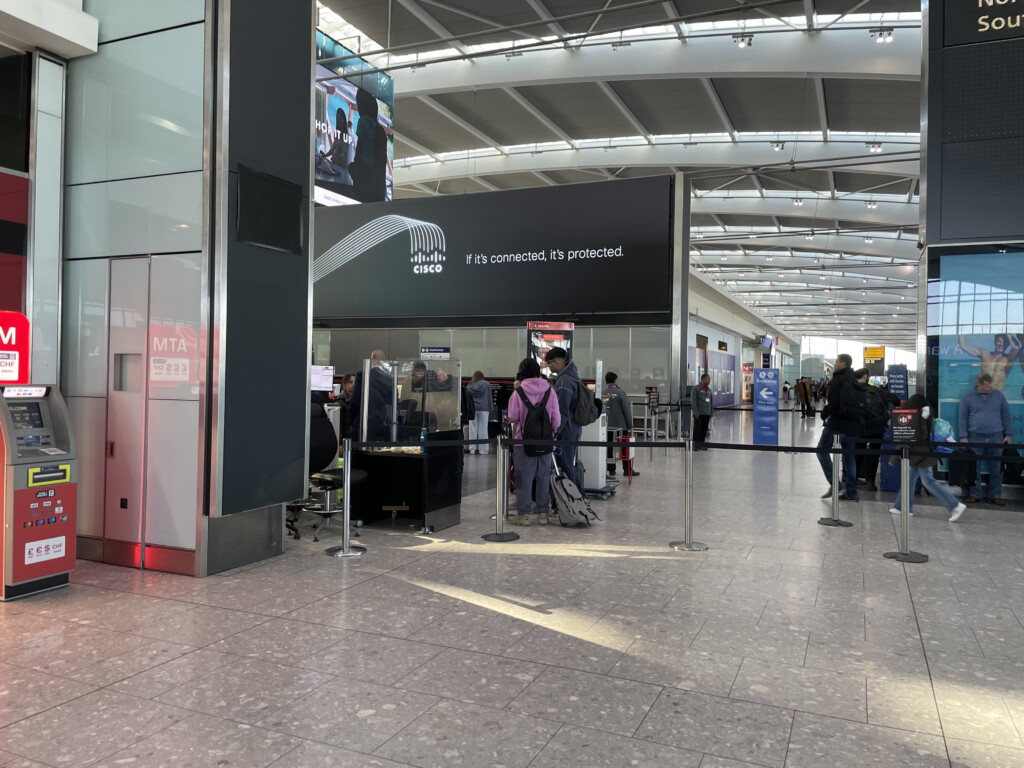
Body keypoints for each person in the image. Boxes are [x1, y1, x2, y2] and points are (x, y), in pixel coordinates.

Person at [890, 394, 968, 522]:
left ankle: (955, 505)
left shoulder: (919, 416)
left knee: (928, 481)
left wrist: (894, 457)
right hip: (921, 455)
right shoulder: (927, 414)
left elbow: (907, 437)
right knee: (909, 481)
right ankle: (902, 507)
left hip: (921, 455)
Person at [506, 358, 561, 526]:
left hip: (524, 443)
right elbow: (556, 418)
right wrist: (552, 432)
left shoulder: (518, 392)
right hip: (545, 441)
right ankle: (543, 515)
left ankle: (523, 515)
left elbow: (512, 416)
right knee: (543, 477)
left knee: (524, 478)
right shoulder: (549, 391)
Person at [959, 372, 1013, 505]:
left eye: (992, 385)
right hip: (975, 437)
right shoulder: (968, 397)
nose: (991, 388)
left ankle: (996, 495)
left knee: (996, 468)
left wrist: (1009, 434)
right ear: (979, 385)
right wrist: (963, 436)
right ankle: (974, 494)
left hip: (996, 436)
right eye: (988, 387)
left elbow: (1006, 415)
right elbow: (962, 417)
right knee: (974, 467)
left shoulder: (999, 395)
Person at [816, 354, 863, 501]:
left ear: (843, 364)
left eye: (836, 362)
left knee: (821, 450)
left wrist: (826, 413)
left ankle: (835, 485)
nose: (834, 364)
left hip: (837, 424)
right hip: (853, 424)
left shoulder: (838, 380)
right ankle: (851, 492)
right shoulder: (854, 379)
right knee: (849, 457)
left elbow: (834, 404)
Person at [852, 367, 896, 491]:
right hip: (877, 427)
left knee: (858, 452)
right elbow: (894, 399)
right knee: (874, 453)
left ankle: (854, 478)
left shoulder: (852, 391)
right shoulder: (876, 390)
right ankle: (871, 481)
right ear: (866, 376)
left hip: (859, 427)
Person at [545, 347, 583, 488]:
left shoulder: (564, 382)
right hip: (573, 426)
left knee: (567, 465)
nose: (548, 366)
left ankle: (578, 498)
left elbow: (563, 411)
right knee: (565, 464)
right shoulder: (572, 376)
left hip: (568, 428)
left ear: (556, 362)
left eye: (549, 363)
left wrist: (556, 432)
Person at [350, 349, 393, 441]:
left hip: (364, 423)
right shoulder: (390, 379)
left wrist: (352, 420)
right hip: (384, 425)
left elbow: (355, 401)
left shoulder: (362, 376)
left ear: (370, 360)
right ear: (385, 361)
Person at [603, 371, 638, 476]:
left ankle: (611, 469)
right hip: (621, 426)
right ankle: (627, 470)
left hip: (606, 426)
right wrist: (630, 426)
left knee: (609, 447)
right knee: (624, 447)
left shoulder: (602, 392)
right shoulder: (620, 393)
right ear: (615, 380)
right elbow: (626, 411)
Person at [466, 371, 492, 455]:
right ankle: (483, 449)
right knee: (483, 428)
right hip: (484, 408)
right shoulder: (487, 384)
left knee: (472, 428)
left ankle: (472, 448)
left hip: (473, 409)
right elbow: (489, 398)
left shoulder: (469, 385)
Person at [691, 373, 713, 450]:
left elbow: (711, 402)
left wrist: (711, 412)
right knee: (697, 429)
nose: (710, 380)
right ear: (703, 379)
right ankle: (695, 445)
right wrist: (695, 411)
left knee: (704, 429)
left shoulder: (709, 390)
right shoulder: (696, 389)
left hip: (707, 413)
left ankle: (701, 443)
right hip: (699, 413)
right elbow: (693, 401)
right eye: (708, 379)